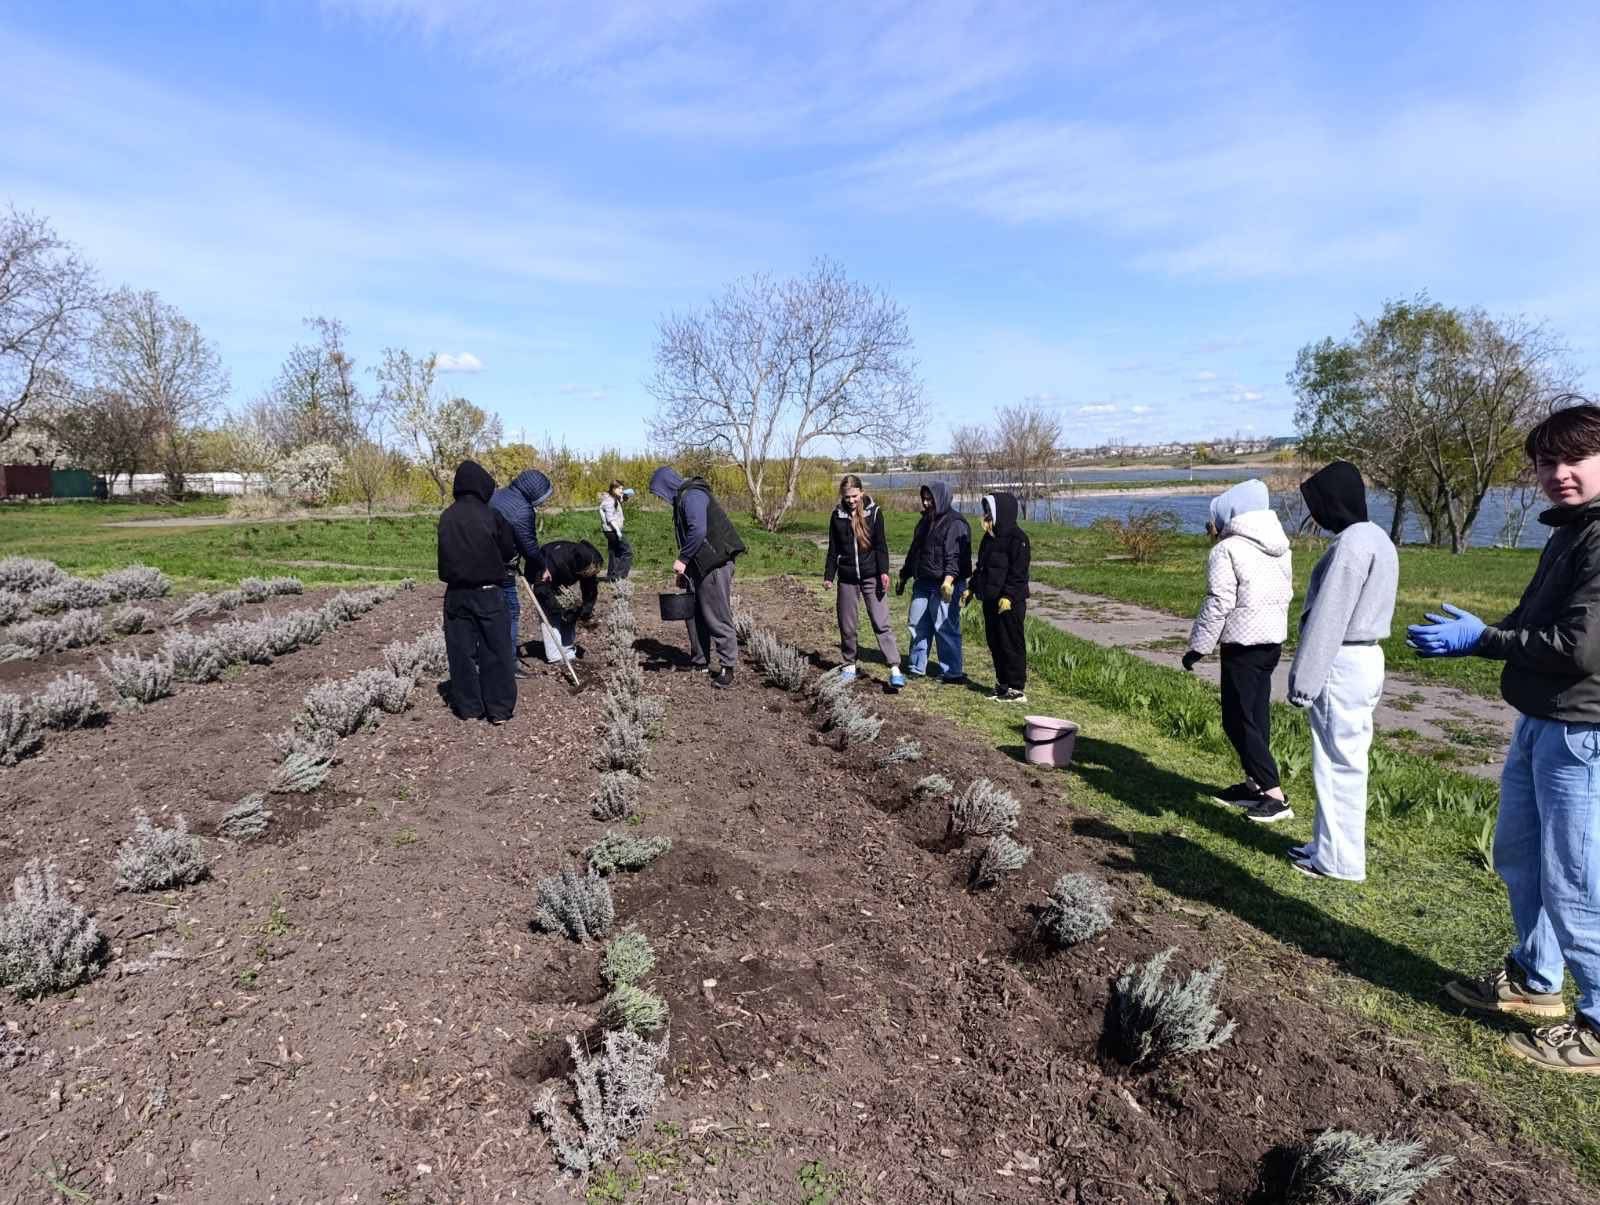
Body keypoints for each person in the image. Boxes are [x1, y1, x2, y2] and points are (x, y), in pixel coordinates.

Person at [1412, 402, 1600, 1075]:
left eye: (1573, 459)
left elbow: (1580, 649)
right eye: (1547, 463)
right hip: (1541, 720)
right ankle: (1535, 979)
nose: (1558, 474)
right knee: (1522, 857)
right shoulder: (1569, 532)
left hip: (1582, 730)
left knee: (1576, 876)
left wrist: (1486, 639)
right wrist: (1483, 633)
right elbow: (1533, 619)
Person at [1283, 460, 1398, 875]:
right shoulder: (1377, 538)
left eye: (1318, 505)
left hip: (1342, 657)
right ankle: (1326, 845)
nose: (1316, 516)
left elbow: (1328, 617)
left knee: (1336, 763)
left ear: (1335, 502)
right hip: (1367, 657)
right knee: (1344, 757)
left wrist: (1303, 682)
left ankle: (1338, 861)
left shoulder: (1350, 545)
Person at [1182, 480, 1293, 817]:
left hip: (1242, 643)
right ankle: (1254, 786)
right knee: (1256, 716)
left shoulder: (1226, 550)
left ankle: (1274, 796)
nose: (1211, 530)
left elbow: (1219, 602)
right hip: (1272, 641)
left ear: (1228, 516)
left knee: (1237, 719)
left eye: (1212, 522)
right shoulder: (1280, 546)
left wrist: (1198, 647)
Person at [436, 460, 518, 723]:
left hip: (456, 594)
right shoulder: (491, 515)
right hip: (488, 593)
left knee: (461, 653)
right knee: (496, 650)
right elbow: (508, 550)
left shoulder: (446, 517)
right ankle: (499, 709)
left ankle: (469, 707)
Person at [649, 467, 746, 688]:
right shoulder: (683, 498)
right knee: (695, 614)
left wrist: (682, 559)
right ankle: (700, 661)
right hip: (701, 565)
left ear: (666, 486)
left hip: (715, 563)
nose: (660, 498)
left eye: (658, 493)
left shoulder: (692, 496)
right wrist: (687, 572)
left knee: (716, 615)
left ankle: (727, 667)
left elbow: (698, 531)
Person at [823, 475, 905, 691]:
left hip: (871, 576)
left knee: (880, 622)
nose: (851, 501)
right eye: (847, 497)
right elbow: (833, 549)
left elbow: (881, 545)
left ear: (861, 492)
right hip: (847, 579)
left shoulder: (874, 512)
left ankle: (895, 668)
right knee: (847, 624)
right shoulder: (837, 515)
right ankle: (849, 664)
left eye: (854, 496)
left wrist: (884, 572)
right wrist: (829, 576)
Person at [897, 481, 970, 684]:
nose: (927, 503)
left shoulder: (955, 523)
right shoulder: (924, 522)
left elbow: (955, 556)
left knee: (944, 627)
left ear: (942, 499)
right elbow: (914, 552)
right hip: (923, 582)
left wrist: (948, 581)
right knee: (917, 624)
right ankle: (916, 665)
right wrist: (904, 575)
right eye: (925, 499)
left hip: (944, 584)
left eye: (931, 499)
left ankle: (953, 672)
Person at [965, 491, 1031, 702]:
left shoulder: (1018, 539)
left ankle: (1016, 687)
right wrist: (972, 588)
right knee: (995, 642)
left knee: (1011, 642)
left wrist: (1009, 596)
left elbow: (1019, 573)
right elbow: (981, 568)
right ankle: (1002, 684)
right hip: (990, 599)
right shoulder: (988, 539)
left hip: (1009, 603)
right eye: (985, 511)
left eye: (989, 511)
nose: (985, 516)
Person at [489, 469, 554, 668]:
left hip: (480, 562)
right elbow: (530, 547)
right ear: (533, 492)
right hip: (503, 567)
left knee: (488, 612)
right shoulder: (522, 510)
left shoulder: (496, 495)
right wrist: (543, 566)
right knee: (511, 611)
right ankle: (508, 663)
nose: (542, 502)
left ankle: (487, 656)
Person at [532, 538, 603, 662]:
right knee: (551, 615)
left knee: (573, 608)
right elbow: (541, 590)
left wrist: (586, 610)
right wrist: (558, 609)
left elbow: (590, 588)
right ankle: (555, 654)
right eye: (587, 572)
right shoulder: (555, 560)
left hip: (561, 580)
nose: (589, 574)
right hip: (543, 580)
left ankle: (567, 649)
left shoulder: (587, 561)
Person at [599, 480, 635, 581]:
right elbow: (610, 518)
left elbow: (620, 501)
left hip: (610, 531)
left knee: (614, 552)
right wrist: (618, 532)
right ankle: (620, 576)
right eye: (620, 488)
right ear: (613, 489)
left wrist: (626, 496)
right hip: (612, 531)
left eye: (622, 488)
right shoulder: (609, 501)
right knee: (627, 552)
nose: (621, 490)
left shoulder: (612, 498)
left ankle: (612, 576)